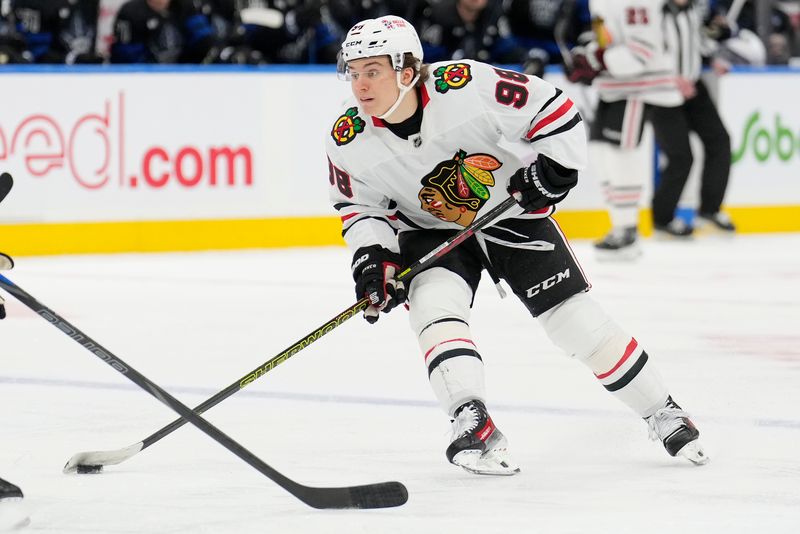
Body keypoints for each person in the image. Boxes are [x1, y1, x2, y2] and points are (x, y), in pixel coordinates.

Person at [325, 15, 708, 475]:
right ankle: (472, 420)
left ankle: (663, 411)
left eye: (373, 71)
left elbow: (555, 109)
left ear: (407, 71)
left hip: (509, 211)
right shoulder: (346, 137)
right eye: (354, 71)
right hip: (428, 229)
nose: (360, 84)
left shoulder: (464, 86)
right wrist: (375, 260)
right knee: (433, 310)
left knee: (577, 324)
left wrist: (554, 171)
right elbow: (358, 208)